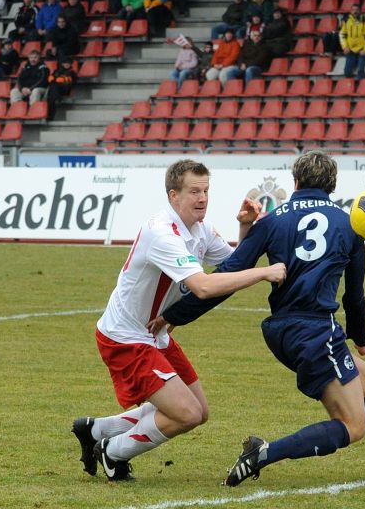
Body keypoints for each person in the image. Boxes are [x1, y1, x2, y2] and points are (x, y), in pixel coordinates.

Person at [156, 151, 365, 486]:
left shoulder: (272, 222)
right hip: (318, 333)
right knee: (353, 426)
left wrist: (176, 313)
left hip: (282, 332)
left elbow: (231, 274)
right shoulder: (350, 225)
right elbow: (354, 296)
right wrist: (361, 339)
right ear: (333, 185)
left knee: (363, 379)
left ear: (295, 182)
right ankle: (265, 452)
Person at [72, 160, 288, 482]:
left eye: (205, 191)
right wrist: (265, 273)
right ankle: (112, 451)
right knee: (185, 413)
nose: (202, 198)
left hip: (153, 333)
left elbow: (231, 267)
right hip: (126, 337)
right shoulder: (162, 232)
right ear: (174, 195)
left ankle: (97, 429)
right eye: (193, 192)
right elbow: (203, 287)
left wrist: (244, 228)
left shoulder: (199, 230)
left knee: (199, 411)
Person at [338, 1, 365, 81]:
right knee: (347, 72)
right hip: (350, 50)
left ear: (360, 11)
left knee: (360, 72)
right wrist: (345, 47)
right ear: (350, 11)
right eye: (353, 9)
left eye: (357, 9)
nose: (355, 11)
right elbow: (342, 35)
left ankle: (361, 88)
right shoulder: (346, 20)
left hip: (362, 50)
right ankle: (351, 87)